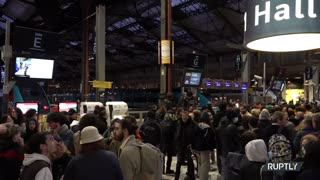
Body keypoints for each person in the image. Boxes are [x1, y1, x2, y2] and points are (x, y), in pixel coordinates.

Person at [174, 110, 196, 180]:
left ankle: (191, 176)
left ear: (188, 116)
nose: (184, 118)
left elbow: (194, 135)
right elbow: (176, 133)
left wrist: (193, 145)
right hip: (181, 146)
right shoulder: (178, 123)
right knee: (179, 162)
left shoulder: (193, 124)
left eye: (185, 116)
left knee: (190, 162)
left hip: (189, 146)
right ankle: (176, 177)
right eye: (183, 116)